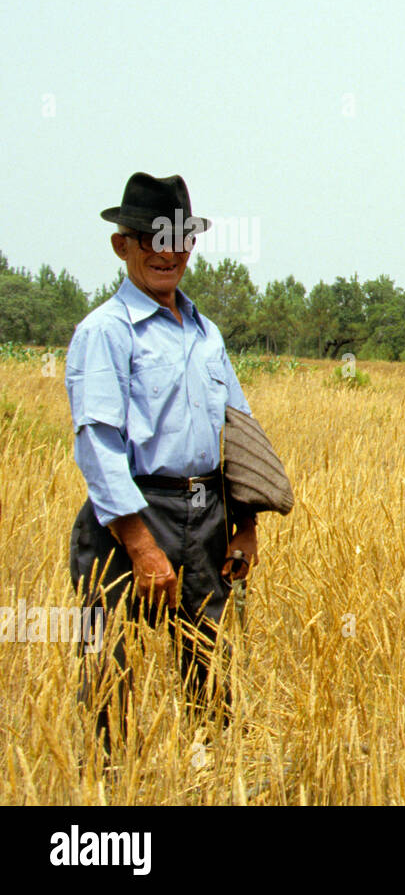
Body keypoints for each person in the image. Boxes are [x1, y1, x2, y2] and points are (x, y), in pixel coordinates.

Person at [66, 172, 259, 754]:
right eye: (149, 237)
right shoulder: (104, 332)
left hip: (205, 512)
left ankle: (212, 776)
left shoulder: (207, 335)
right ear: (121, 244)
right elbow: (98, 447)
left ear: (191, 246)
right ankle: (110, 788)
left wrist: (245, 525)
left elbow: (239, 433)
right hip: (128, 514)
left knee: (207, 660)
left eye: (177, 237)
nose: (165, 251)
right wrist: (141, 546)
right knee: (108, 664)